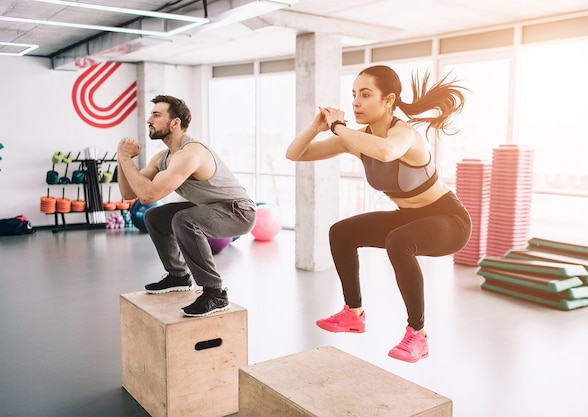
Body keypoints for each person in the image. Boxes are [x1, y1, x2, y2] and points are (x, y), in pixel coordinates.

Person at [285, 65, 471, 363]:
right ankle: (353, 313)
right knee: (341, 232)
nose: (356, 102)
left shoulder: (405, 134)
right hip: (410, 218)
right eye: (354, 94)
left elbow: (385, 152)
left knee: (399, 241)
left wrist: (339, 128)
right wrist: (315, 127)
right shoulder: (356, 140)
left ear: (389, 100)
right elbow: (295, 154)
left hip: (449, 220)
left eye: (366, 94)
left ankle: (418, 335)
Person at [117, 95, 257, 317]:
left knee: (184, 220)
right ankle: (178, 276)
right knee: (155, 217)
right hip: (212, 207)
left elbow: (148, 195)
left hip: (238, 211)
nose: (149, 120)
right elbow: (128, 193)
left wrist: (126, 160)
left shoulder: (191, 153)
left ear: (175, 123)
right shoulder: (162, 157)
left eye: (156, 114)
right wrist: (121, 158)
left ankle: (215, 293)